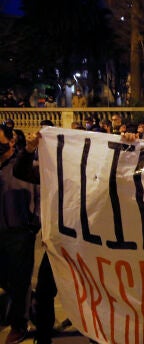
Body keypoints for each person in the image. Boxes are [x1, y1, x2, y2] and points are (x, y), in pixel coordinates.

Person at [0, 123, 38, 344]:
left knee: (21, 280)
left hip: (20, 231)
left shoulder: (25, 165)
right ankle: (26, 306)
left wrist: (35, 224)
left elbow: (41, 194)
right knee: (7, 278)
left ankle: (19, 324)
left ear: (11, 140)